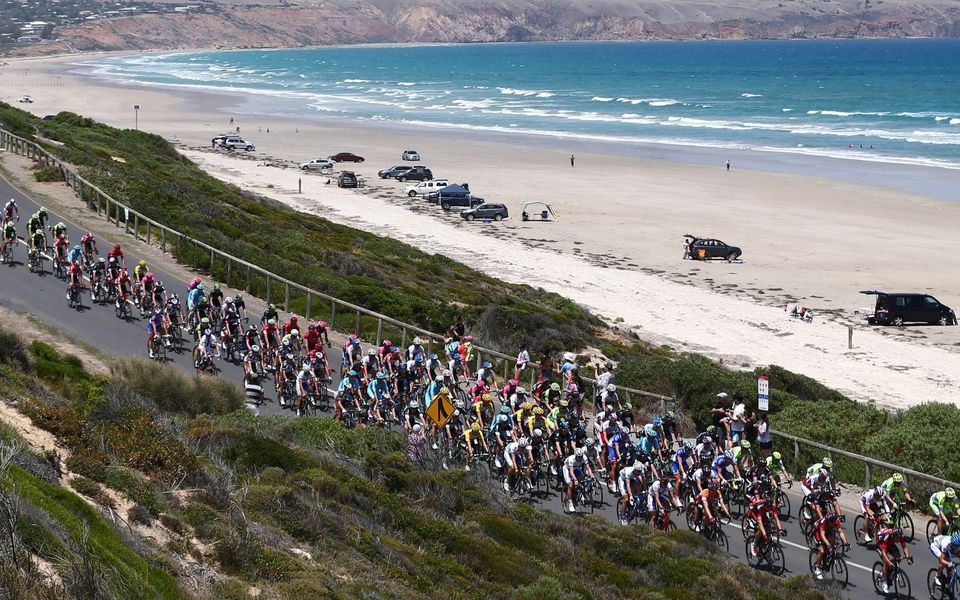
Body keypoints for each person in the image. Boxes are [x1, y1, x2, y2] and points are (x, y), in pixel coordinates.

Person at [874, 514, 913, 594]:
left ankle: (889, 570)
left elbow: (904, 547)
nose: (899, 540)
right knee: (886, 561)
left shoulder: (899, 535)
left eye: (899, 539)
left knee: (898, 558)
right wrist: (888, 562)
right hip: (880, 543)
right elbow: (884, 552)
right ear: (893, 536)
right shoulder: (887, 537)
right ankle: (884, 581)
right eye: (897, 539)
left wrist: (908, 558)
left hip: (890, 544)